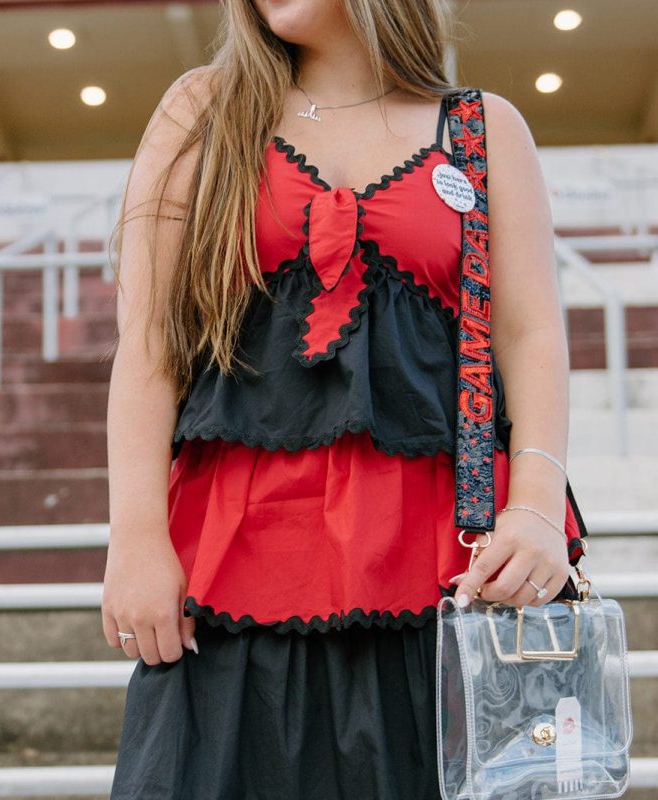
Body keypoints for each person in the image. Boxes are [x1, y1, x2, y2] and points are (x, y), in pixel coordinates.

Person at [102, 1, 588, 798]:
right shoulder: (204, 109)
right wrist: (135, 535)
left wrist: (534, 505)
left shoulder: (483, 127)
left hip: (446, 577)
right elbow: (152, 343)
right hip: (232, 567)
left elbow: (529, 334)